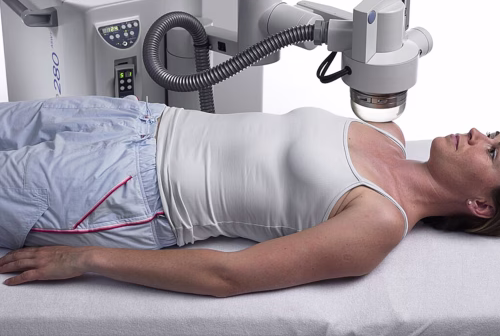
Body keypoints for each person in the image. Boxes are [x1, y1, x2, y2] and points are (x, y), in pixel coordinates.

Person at [0, 95, 499, 297]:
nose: (479, 134)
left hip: (121, 189)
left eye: (493, 153)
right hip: (136, 117)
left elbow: (228, 275)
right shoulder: (388, 131)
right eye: (494, 135)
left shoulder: (379, 222)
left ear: (480, 205)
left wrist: (86, 258)